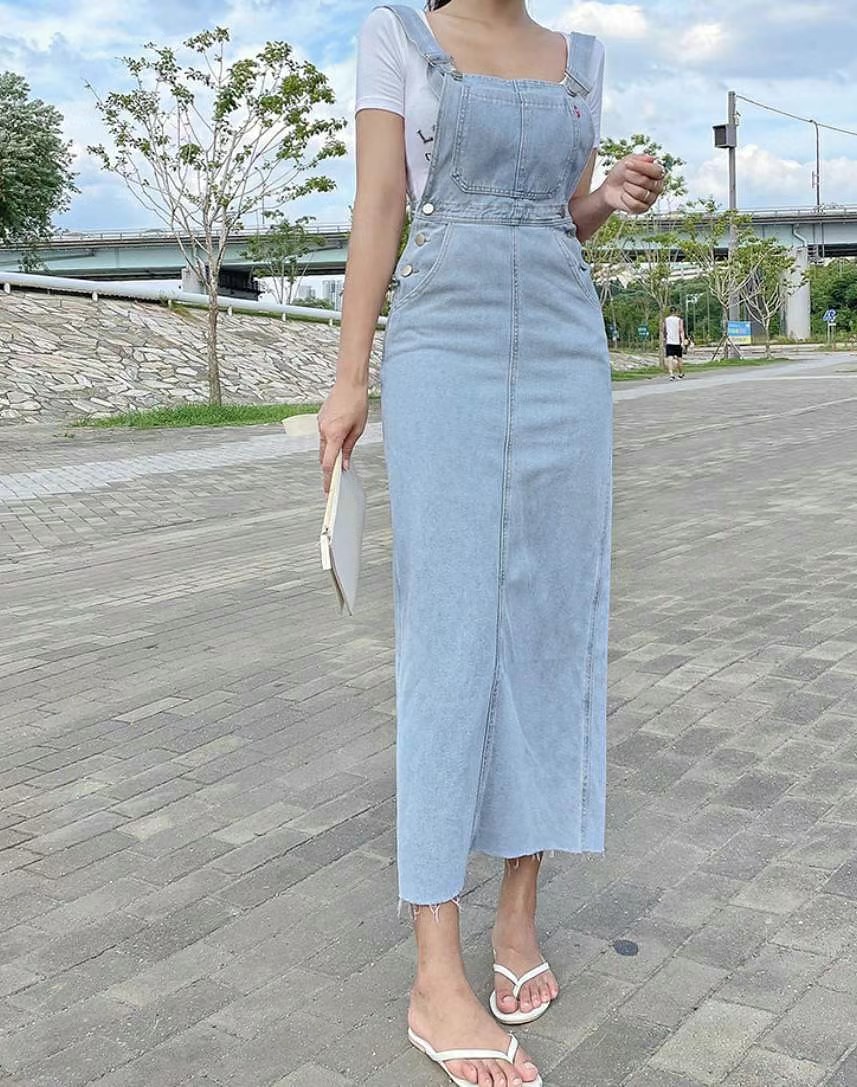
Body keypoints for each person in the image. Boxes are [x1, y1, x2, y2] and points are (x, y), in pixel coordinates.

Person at [318, 3, 665, 1084]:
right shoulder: (394, 35)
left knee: (552, 627)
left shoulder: (582, 58)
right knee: (448, 635)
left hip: (564, 343)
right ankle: (435, 970)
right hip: (442, 340)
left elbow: (555, 218)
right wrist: (348, 377)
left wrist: (605, 198)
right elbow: (382, 204)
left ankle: (518, 914)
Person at [664, 305, 685, 380]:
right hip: (677, 342)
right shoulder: (679, 320)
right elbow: (681, 331)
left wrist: (665, 339)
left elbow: (665, 330)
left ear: (670, 312)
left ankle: (671, 374)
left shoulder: (666, 320)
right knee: (679, 358)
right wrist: (683, 341)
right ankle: (680, 373)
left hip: (669, 342)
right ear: (676, 312)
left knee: (670, 358)